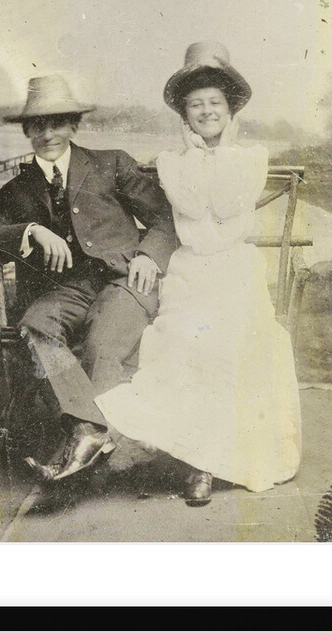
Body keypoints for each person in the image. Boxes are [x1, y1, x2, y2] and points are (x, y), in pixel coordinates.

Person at [95, 43, 302, 506]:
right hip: (190, 270)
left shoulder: (250, 157)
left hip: (236, 270)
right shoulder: (173, 161)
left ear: (230, 110)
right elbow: (191, 209)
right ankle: (190, 456)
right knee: (183, 341)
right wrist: (194, 155)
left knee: (226, 344)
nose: (207, 111)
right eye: (195, 105)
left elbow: (226, 206)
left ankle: (204, 466)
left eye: (215, 102)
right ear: (184, 116)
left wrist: (221, 153)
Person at [0, 75, 176, 480]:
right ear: (27, 131)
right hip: (67, 289)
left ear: (73, 125)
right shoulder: (18, 189)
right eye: (38, 125)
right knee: (36, 325)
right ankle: (88, 430)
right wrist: (31, 230)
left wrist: (148, 255)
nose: (48, 134)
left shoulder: (111, 164)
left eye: (57, 123)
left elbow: (166, 218)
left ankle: (84, 450)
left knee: (102, 344)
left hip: (124, 281)